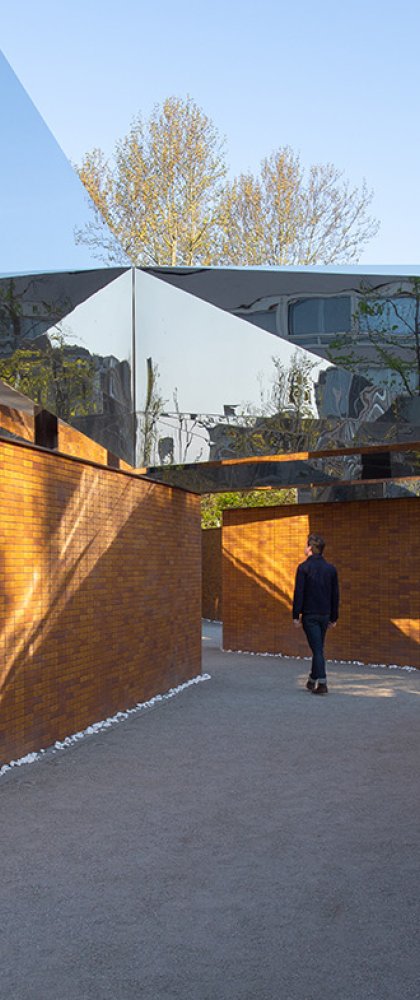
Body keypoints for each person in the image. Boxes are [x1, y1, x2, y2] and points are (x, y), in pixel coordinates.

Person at [292, 533, 339, 695]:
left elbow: (299, 593)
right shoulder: (331, 569)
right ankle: (312, 680)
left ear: (310, 548)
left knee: (318, 649)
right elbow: (335, 594)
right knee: (318, 647)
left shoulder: (303, 568)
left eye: (306, 546)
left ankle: (323, 683)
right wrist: (334, 617)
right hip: (325, 614)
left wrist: (295, 615)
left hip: (310, 614)